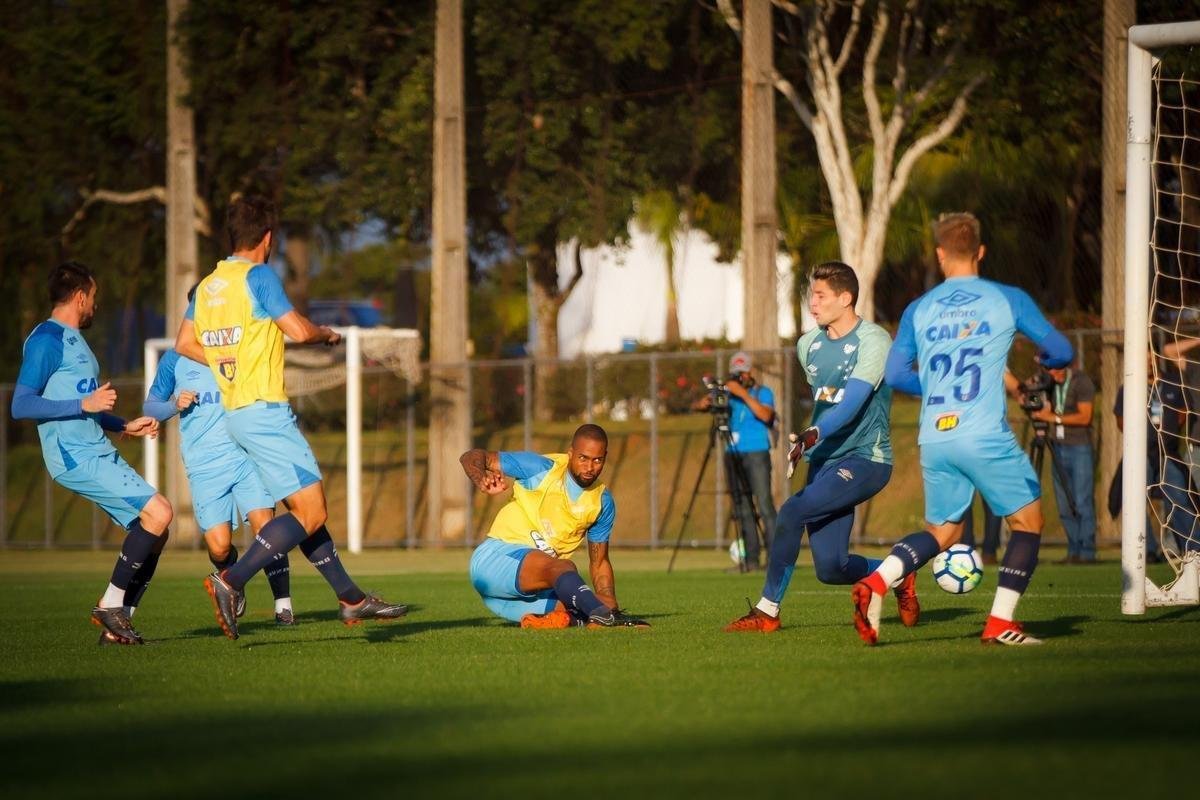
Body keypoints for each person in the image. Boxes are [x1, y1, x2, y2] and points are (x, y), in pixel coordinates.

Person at [177, 195, 406, 639]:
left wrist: (231, 363)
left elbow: (185, 343)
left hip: (236, 412)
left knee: (303, 511)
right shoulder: (258, 275)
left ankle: (351, 597)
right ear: (268, 238)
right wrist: (326, 335)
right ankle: (231, 580)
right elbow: (299, 331)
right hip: (265, 411)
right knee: (312, 511)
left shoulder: (207, 286)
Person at [859, 212, 1073, 646]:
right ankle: (999, 623)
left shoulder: (919, 308)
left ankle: (876, 582)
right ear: (980, 251)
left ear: (940, 255)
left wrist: (937, 388)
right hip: (983, 433)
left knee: (946, 531)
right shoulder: (1006, 299)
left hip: (936, 435)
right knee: (1029, 521)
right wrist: (1048, 366)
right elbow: (1061, 349)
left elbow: (897, 375)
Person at [724, 261, 911, 632]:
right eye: (812, 294)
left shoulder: (874, 340)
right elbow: (825, 403)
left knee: (792, 511)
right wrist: (810, 443)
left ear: (846, 298)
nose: (813, 302)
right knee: (831, 568)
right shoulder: (807, 345)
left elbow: (852, 403)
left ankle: (766, 612)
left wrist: (812, 434)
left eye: (821, 295)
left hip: (866, 459)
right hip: (824, 461)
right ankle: (899, 574)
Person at [10, 262, 171, 645]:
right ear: (80, 297)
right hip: (73, 454)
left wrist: (123, 425)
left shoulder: (75, 340)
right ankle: (110, 605)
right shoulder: (47, 339)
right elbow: (21, 404)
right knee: (160, 511)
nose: (95, 306)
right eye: (94, 298)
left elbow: (89, 406)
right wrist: (84, 404)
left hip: (96, 448)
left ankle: (119, 625)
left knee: (156, 529)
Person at [144, 292, 294, 625]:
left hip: (246, 455)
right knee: (219, 547)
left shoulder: (236, 350)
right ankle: (232, 581)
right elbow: (150, 406)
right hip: (204, 464)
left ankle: (283, 605)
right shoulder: (175, 358)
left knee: (265, 529)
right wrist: (174, 405)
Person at [461, 424, 648, 628]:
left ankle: (564, 620)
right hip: (494, 562)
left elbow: (600, 562)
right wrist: (482, 478)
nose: (589, 467)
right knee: (566, 568)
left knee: (593, 602)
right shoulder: (540, 468)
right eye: (583, 458)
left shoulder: (602, 502)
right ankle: (604, 618)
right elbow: (471, 457)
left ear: (605, 457)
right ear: (570, 453)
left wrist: (607, 599)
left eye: (597, 460)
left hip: (512, 600)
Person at [696, 352, 777, 569]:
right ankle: (750, 560)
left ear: (750, 373)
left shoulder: (763, 392)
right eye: (736, 374)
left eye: (742, 373)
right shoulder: (728, 396)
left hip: (757, 452)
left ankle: (775, 559)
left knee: (764, 504)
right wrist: (707, 401)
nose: (739, 377)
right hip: (732, 453)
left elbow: (766, 415)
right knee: (741, 507)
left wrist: (742, 393)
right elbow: (699, 406)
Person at [1113, 351, 1198, 557]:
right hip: (1140, 453)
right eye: (1144, 358)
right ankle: (1146, 550)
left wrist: (1166, 433)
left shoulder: (1173, 382)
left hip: (1167, 453)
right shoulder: (1129, 386)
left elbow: (1182, 414)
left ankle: (1193, 549)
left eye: (1151, 357)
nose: (1148, 362)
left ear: (1157, 359)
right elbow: (1120, 419)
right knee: (1133, 498)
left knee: (1178, 498)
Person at [1024, 362, 1098, 563]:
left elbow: (1085, 417)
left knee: (1082, 501)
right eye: (1049, 370)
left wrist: (1053, 418)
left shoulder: (1081, 381)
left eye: (1057, 369)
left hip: (1079, 446)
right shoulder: (1049, 382)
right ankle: (1073, 550)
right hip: (1057, 446)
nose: (1054, 374)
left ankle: (1087, 552)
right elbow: (1026, 393)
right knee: (1064, 505)